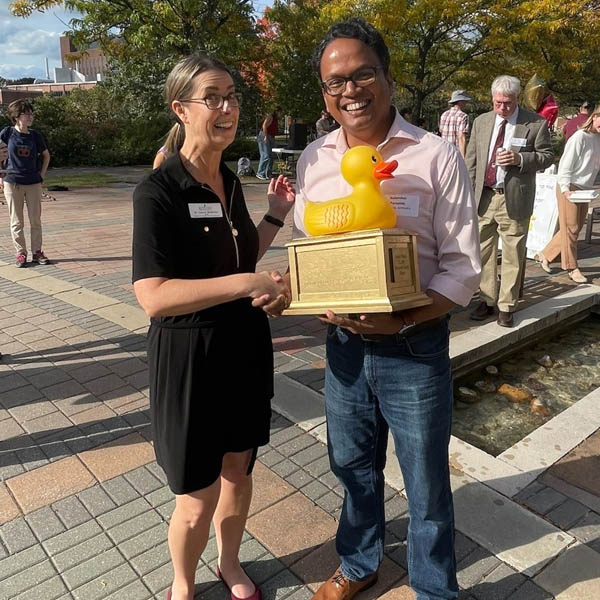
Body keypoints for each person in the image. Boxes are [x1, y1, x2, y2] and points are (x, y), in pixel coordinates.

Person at [286, 18, 481, 600]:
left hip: (414, 347)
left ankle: (433, 588)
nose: (350, 90)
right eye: (334, 81)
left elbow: (463, 268)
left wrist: (401, 319)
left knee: (424, 480)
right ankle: (359, 562)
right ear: (324, 94)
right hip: (343, 348)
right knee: (350, 464)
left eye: (362, 74)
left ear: (387, 78)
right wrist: (311, 295)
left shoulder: (434, 155)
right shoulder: (315, 159)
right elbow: (313, 249)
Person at [132, 54, 294, 600]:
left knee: (239, 475)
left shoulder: (227, 179)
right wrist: (246, 285)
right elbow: (153, 298)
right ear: (181, 108)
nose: (227, 109)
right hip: (190, 357)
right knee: (196, 497)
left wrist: (272, 216)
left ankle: (230, 563)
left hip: (244, 349)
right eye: (213, 97)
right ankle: (183, 583)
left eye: (232, 96)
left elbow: (238, 258)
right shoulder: (158, 192)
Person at [465, 75, 553, 328]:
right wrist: (469, 196)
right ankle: (488, 299)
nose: (502, 108)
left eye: (508, 103)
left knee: (514, 252)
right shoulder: (482, 122)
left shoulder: (535, 123)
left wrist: (520, 159)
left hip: (514, 197)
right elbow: (471, 161)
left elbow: (547, 156)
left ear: (517, 99)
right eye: (498, 102)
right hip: (485, 196)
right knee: (483, 251)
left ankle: (507, 306)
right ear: (492, 99)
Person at [536, 107, 600, 284]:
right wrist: (565, 189)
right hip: (569, 186)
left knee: (575, 227)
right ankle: (572, 267)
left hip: (585, 189)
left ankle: (545, 254)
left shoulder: (598, 139)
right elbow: (565, 165)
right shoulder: (579, 137)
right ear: (594, 117)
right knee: (571, 228)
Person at [0, 100, 51, 268]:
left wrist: (41, 175)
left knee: (35, 219)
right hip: (12, 182)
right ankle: (21, 253)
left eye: (31, 113)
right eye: (26, 114)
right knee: (16, 221)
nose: (30, 117)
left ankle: (37, 252)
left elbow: (46, 155)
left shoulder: (35, 135)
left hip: (33, 182)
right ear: (16, 117)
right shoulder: (7, 133)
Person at [439, 90, 472, 158]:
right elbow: (461, 137)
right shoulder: (463, 116)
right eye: (464, 101)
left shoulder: (444, 115)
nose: (466, 103)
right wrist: (463, 158)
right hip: (455, 154)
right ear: (460, 102)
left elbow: (441, 132)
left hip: (444, 152)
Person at [256, 107, 280, 180]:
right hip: (265, 135)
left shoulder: (275, 119)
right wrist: (265, 136)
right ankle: (260, 172)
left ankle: (268, 172)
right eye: (280, 112)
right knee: (265, 155)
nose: (280, 114)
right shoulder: (270, 117)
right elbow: (264, 126)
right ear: (276, 111)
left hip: (271, 137)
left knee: (271, 155)